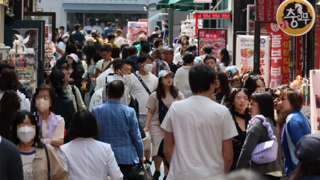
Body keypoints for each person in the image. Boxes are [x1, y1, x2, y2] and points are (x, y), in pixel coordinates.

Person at [161, 65, 237, 179]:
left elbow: (166, 149)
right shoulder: (222, 111)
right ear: (211, 84)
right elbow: (228, 155)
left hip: (180, 175)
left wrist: (178, 168)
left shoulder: (175, 108)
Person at [93, 80, 145, 180]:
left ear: (107, 91)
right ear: (122, 94)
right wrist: (141, 155)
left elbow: (93, 136)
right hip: (126, 158)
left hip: (103, 157)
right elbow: (136, 136)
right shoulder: (129, 111)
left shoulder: (96, 111)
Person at [59, 110, 123, 180]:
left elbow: (62, 177)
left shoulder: (64, 149)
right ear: (94, 126)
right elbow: (117, 176)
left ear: (73, 126)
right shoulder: (106, 148)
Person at [143, 70, 184, 179]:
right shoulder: (154, 95)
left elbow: (184, 108)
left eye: (170, 77)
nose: (169, 79)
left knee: (169, 149)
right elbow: (150, 111)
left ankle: (167, 173)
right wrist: (146, 126)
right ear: (161, 80)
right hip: (157, 125)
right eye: (166, 77)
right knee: (157, 148)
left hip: (173, 126)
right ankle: (157, 171)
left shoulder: (177, 93)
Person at [236, 92, 282, 180]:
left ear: (262, 105)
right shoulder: (272, 122)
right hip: (276, 172)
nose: (248, 106)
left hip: (261, 173)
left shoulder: (257, 122)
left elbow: (246, 149)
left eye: (252, 104)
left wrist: (238, 169)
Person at [12, 111, 68, 180]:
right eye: (21, 124)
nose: (25, 129)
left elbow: (61, 175)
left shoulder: (47, 150)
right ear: (15, 129)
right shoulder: (9, 152)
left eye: (28, 124)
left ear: (35, 127)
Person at [278, 88, 311, 177]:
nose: (279, 102)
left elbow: (301, 147)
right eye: (279, 99)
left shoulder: (292, 119)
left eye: (283, 99)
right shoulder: (298, 117)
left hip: (297, 172)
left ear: (293, 101)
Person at [32, 84, 65, 149]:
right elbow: (28, 143)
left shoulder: (59, 120)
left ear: (51, 102)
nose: (41, 101)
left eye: (45, 98)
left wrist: (39, 142)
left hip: (52, 157)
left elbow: (57, 145)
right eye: (38, 97)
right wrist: (51, 141)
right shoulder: (30, 119)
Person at [48, 70, 76, 143]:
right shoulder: (68, 102)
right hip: (64, 141)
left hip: (46, 142)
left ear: (50, 82)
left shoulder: (45, 101)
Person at [228, 88, 250, 171]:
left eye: (245, 98)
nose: (242, 101)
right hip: (232, 163)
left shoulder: (253, 117)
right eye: (238, 98)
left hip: (249, 164)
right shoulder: (228, 117)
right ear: (232, 101)